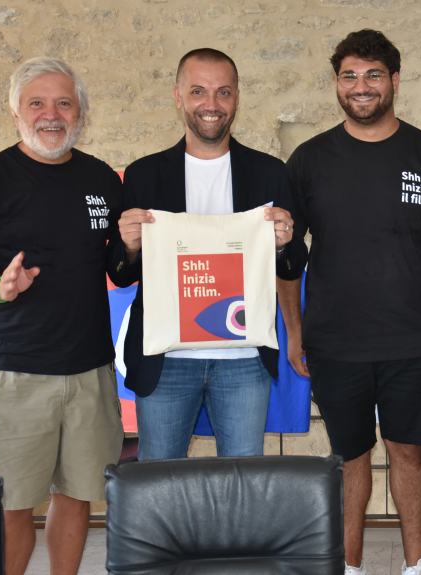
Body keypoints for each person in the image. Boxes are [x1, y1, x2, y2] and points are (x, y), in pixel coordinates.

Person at [0, 56, 124, 575]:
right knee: (11, 504)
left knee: (78, 495)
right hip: (13, 375)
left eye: (64, 103)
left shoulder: (102, 179)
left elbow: (119, 267)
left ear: (81, 112)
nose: (52, 115)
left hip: (89, 373)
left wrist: (133, 244)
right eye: (36, 103)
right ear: (16, 112)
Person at [282, 29, 421, 575]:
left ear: (395, 81)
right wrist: (294, 331)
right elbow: (289, 258)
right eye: (350, 76)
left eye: (373, 75)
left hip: (410, 339)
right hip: (335, 340)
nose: (361, 87)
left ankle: (418, 564)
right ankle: (350, 567)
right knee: (349, 455)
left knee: (408, 450)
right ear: (337, 84)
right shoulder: (309, 160)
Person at [108, 48, 301, 460]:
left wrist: (284, 242)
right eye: (198, 91)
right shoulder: (144, 174)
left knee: (241, 485)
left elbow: (292, 265)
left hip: (244, 359)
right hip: (165, 360)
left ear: (236, 98)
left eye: (223, 92)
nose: (211, 105)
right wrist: (127, 245)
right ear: (178, 96)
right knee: (159, 488)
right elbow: (121, 274)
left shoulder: (270, 172)